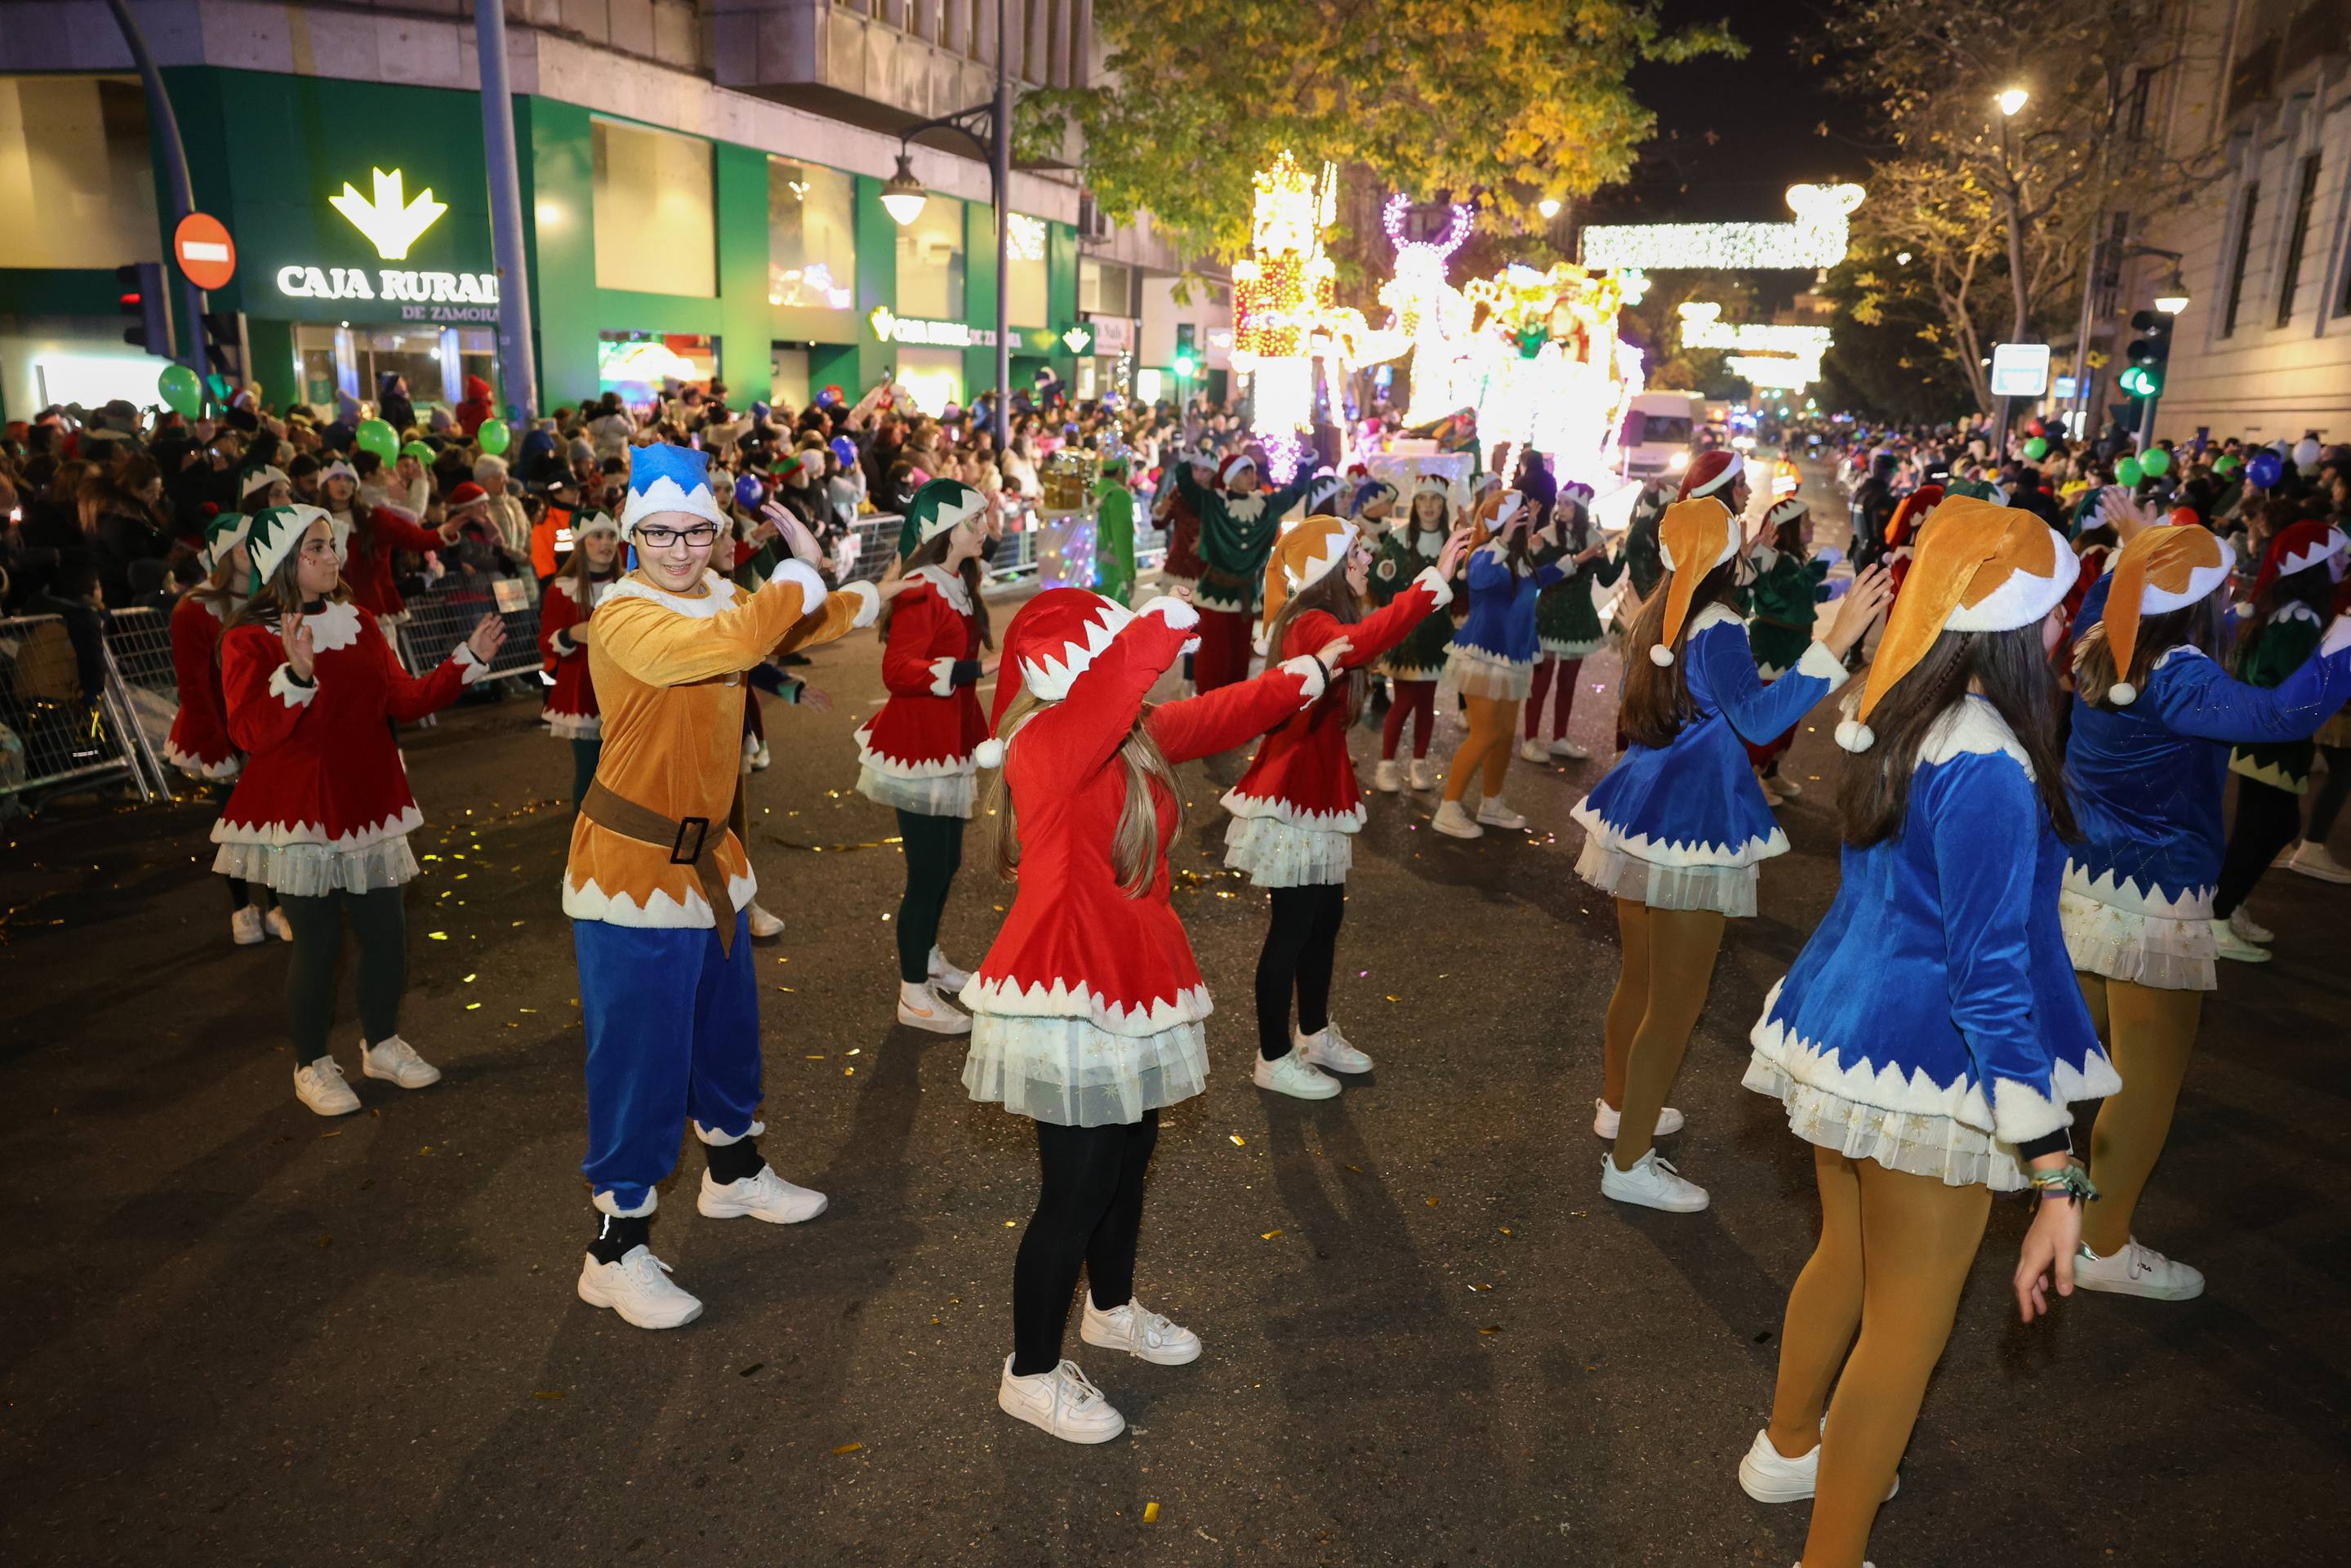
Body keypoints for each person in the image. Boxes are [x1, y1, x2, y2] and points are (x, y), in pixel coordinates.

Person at [1737, 495, 2117, 1568]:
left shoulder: (1904, 703)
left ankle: (1787, 1447)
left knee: (1844, 1259)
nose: (2067, 635)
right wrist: (2055, 1181)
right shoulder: (1989, 760)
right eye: (2055, 615)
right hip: (1927, 1067)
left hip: (1843, 1027)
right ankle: (1828, 1551)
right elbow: (1988, 983)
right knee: (1905, 1327)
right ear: (2011, 625)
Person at [960, 586, 1347, 1443]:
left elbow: (1215, 714)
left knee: (1130, 1154)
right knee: (1075, 1188)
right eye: (1108, 657)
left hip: (1132, 971)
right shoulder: (1050, 738)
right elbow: (1119, 687)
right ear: (1074, 665)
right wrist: (1164, 622)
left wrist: (1304, 676)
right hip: (1067, 981)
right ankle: (1027, 1372)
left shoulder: (1122, 734)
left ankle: (1110, 1309)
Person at [563, 445, 884, 1331]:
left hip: (712, 865)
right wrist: (792, 578)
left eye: (695, 530)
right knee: (639, 1060)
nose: (678, 547)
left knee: (723, 1033)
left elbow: (786, 630)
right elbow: (741, 640)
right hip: (630, 870)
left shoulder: (717, 595)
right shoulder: (624, 614)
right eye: (660, 532)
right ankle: (614, 1251)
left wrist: (853, 590)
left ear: (715, 529)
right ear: (632, 534)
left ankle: (734, 1175)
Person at [1570, 497, 1890, 1211]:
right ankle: (1628, 1163)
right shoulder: (1714, 626)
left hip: (1641, 805)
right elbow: (1759, 719)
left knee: (1640, 982)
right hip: (1694, 820)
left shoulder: (1661, 607)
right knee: (1674, 1005)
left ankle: (1621, 1109)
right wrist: (1832, 644)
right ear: (1721, 558)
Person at [2061, 521, 2351, 1302]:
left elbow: (2105, 596)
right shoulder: (2178, 674)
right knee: (2143, 1090)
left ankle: (1991, 1172)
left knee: (2053, 1052)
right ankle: (2101, 1247)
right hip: (2154, 902)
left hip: (2083, 883)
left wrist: (2132, 551)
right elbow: (2280, 718)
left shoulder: (2102, 641)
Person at [213, 505, 505, 1116]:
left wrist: (466, 660)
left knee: (388, 936)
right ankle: (312, 1063)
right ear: (284, 562)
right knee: (318, 945)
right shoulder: (247, 638)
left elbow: (402, 696)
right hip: (300, 809)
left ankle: (381, 1043)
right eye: (315, 548)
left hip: (369, 801)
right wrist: (294, 676)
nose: (332, 557)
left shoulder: (361, 621)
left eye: (331, 546)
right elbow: (249, 733)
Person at [1222, 513, 1470, 1099]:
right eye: (1354, 557)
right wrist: (1430, 584)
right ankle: (1272, 1054)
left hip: (1320, 780)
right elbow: (1362, 643)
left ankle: (1311, 1032)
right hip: (1293, 788)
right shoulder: (1309, 624)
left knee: (1323, 919)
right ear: (1328, 569)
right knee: (1291, 927)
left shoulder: (1319, 617)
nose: (1364, 564)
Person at [853, 479, 998, 1036]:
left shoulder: (956, 580)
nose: (985, 528)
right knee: (926, 871)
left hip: (947, 742)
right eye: (974, 521)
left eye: (983, 518)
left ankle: (928, 959)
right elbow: (898, 671)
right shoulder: (920, 586)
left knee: (946, 865)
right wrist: (976, 670)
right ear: (943, 531)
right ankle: (912, 994)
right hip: (917, 747)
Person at [2211, 519, 2350, 960]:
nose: (2345, 563)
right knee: (2264, 829)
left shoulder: (2290, 609)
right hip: (2271, 743)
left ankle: (2229, 905)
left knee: (2269, 827)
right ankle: (2217, 914)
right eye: (2338, 556)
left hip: (2269, 741)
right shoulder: (2299, 617)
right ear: (2313, 563)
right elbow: (2283, 683)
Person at [167, 510, 287, 944]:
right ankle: (242, 907)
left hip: (262, 729)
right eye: (242, 547)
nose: (251, 554)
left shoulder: (268, 600)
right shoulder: (194, 610)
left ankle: (276, 904)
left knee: (276, 821)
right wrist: (222, 749)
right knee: (235, 824)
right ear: (222, 555)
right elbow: (195, 687)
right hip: (218, 731)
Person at [1431, 492, 1563, 839]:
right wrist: (1503, 539)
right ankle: (1448, 807)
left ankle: (1491, 802)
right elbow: (1479, 579)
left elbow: (1533, 581)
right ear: (1502, 521)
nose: (1527, 519)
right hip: (1484, 655)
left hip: (1512, 656)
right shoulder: (1488, 552)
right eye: (1520, 515)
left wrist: (1574, 561)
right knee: (1485, 734)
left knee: (1504, 736)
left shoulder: (1518, 557)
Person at [1172, 452, 1319, 692]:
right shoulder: (1213, 502)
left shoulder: (1265, 505)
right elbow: (1187, 486)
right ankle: (1209, 704)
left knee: (1240, 653)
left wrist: (1306, 460)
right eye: (1244, 471)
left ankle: (1234, 703)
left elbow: (1295, 491)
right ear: (1230, 477)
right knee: (1212, 653)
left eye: (1252, 470)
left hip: (1246, 594)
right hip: (1215, 594)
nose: (1252, 476)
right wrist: (1188, 450)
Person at [1743, 494, 1836, 802]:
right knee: (1772, 715)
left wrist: (1828, 590)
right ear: (1790, 527)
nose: (1811, 525)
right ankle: (1750, 778)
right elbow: (1780, 596)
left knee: (1789, 715)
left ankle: (1770, 772)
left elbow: (1799, 597)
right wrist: (1819, 568)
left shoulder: (1791, 559)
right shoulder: (1776, 559)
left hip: (1794, 643)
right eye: (1805, 521)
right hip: (1773, 646)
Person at [1370, 476, 1460, 791]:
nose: (1429, 506)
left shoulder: (1451, 540)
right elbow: (1379, 582)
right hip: (1406, 637)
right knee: (1404, 701)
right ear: (1414, 504)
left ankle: (1419, 763)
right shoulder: (1398, 538)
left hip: (1437, 635)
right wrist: (1382, 573)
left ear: (1443, 505)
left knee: (1427, 702)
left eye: (1435, 500)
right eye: (1422, 500)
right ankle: (1387, 763)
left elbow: (1459, 589)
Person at [1521, 481, 1620, 764]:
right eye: (1559, 502)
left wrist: (1622, 553)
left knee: (1568, 683)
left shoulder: (1593, 537)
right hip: (1549, 616)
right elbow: (1536, 571)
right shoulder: (1546, 536)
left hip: (1577, 619)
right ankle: (1529, 739)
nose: (1560, 508)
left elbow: (1607, 578)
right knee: (1539, 683)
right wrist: (1529, 533)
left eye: (1567, 503)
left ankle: (1560, 738)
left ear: (1579, 509)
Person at [537, 507, 623, 813]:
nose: (606, 543)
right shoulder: (562, 590)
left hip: (627, 690)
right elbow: (546, 642)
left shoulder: (630, 587)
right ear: (581, 543)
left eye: (611, 535)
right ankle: (586, 845)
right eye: (597, 536)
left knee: (627, 773)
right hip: (583, 693)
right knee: (590, 772)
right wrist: (570, 634)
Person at [1092, 452, 1137, 607]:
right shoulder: (1118, 494)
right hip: (1112, 570)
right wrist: (1129, 574)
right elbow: (1122, 536)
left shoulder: (1096, 489)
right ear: (1120, 470)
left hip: (1092, 567)